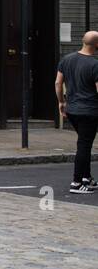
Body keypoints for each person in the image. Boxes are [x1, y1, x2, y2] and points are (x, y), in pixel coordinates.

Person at [56, 30, 98, 194]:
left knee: (83, 142)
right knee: (84, 146)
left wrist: (61, 102)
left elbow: (58, 83)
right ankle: (77, 182)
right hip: (89, 111)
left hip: (72, 110)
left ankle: (87, 177)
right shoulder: (94, 65)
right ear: (96, 45)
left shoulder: (66, 59)